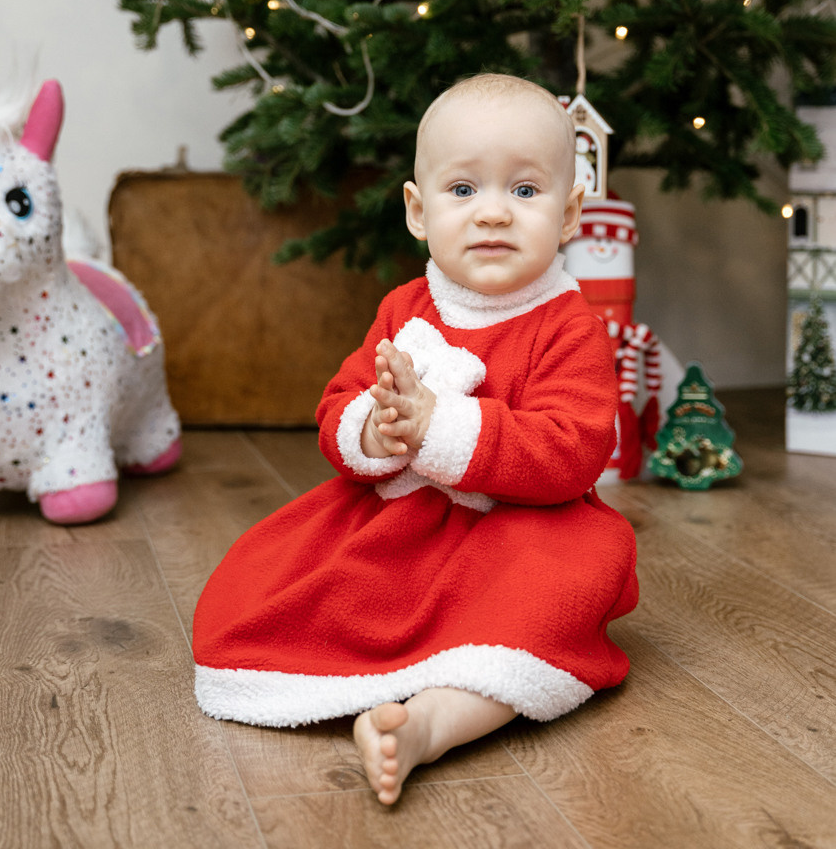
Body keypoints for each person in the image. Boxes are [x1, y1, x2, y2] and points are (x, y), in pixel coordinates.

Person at [192, 73, 638, 805]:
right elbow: (337, 407)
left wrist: (446, 428)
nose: (493, 213)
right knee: (273, 577)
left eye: (525, 191)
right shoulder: (405, 308)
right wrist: (376, 427)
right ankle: (354, 671)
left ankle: (435, 721)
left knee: (556, 587)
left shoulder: (569, 326)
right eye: (463, 190)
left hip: (523, 526)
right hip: (407, 523)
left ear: (569, 215)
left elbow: (573, 449)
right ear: (418, 210)